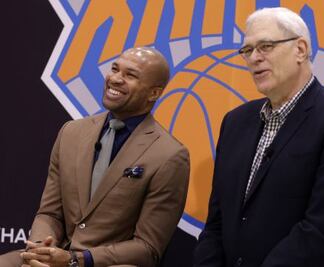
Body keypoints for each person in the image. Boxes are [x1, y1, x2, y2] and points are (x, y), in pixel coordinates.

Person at [193, 7, 324, 267]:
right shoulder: (235, 121)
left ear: (300, 50)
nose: (254, 58)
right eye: (247, 50)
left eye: (265, 46)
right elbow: (217, 224)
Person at [0, 47, 190, 267]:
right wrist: (42, 252)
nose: (115, 79)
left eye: (130, 75)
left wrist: (75, 260)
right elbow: (49, 213)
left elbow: (147, 248)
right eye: (115, 69)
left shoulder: (170, 155)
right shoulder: (71, 132)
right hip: (56, 254)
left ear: (154, 93)